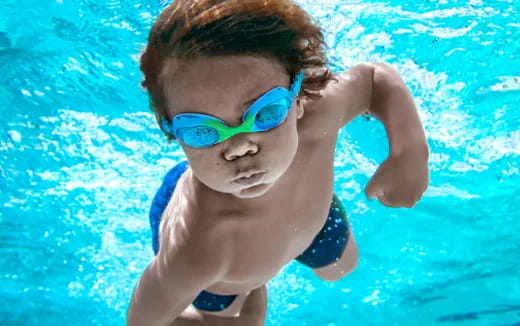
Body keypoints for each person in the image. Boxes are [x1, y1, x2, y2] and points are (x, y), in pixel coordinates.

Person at [127, 0, 429, 325]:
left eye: (266, 113)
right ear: (173, 133)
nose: (240, 147)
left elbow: (373, 79)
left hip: (310, 214)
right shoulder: (197, 248)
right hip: (229, 276)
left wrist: (410, 151)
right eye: (202, 131)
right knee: (226, 310)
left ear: (297, 98)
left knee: (342, 268)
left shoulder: (318, 117)